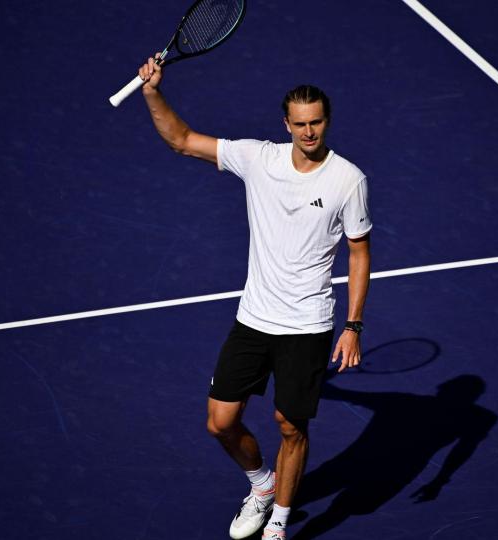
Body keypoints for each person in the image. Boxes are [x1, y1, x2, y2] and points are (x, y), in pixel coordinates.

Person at [138, 55, 372, 540]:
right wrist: (152, 93)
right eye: (300, 124)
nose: (309, 133)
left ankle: (279, 522)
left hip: (308, 323)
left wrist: (353, 326)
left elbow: (358, 254)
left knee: (290, 425)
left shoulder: (349, 180)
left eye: (317, 123)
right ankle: (261, 485)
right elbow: (181, 140)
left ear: (327, 121)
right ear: (285, 124)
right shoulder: (258, 159)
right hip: (255, 318)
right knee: (220, 422)